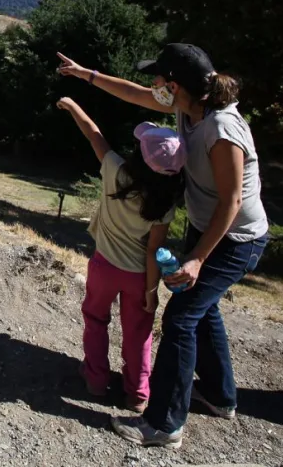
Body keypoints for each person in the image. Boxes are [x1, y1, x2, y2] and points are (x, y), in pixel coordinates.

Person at [57, 44, 269, 448]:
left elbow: (232, 202)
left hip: (236, 239)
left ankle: (164, 424)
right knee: (204, 312)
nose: (152, 83)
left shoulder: (223, 129)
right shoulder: (187, 108)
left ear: (174, 84)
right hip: (208, 228)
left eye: (158, 78)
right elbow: (134, 93)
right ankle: (221, 397)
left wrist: (197, 259)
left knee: (181, 318)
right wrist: (86, 74)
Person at [57, 97, 185, 414]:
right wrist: (151, 292)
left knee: (96, 320)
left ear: (139, 157)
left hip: (103, 266)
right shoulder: (164, 203)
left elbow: (93, 133)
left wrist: (74, 105)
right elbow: (154, 249)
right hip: (139, 276)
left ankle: (96, 380)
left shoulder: (115, 170)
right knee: (138, 335)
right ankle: (137, 393)